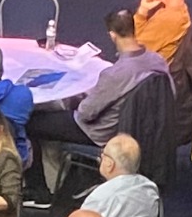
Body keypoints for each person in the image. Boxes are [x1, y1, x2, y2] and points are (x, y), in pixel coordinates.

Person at [27, 9, 169, 153]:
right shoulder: (158, 61)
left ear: (112, 35)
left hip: (100, 133)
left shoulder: (115, 75)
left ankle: (39, 174)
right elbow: (169, 95)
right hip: (143, 129)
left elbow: (85, 113)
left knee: (31, 122)